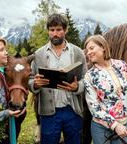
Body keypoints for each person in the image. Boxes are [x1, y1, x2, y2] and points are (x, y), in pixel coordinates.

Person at [28, 13, 87, 144]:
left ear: (65, 30)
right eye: (52, 30)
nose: (55, 33)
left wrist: (77, 87)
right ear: (48, 31)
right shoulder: (39, 54)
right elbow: (30, 79)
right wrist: (35, 84)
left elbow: (85, 78)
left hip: (72, 110)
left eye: (59, 30)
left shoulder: (78, 52)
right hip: (49, 112)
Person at [84, 35, 127, 144]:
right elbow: (94, 108)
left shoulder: (122, 65)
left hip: (125, 124)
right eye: (87, 50)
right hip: (101, 128)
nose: (88, 52)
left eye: (91, 48)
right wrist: (115, 125)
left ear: (103, 47)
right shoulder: (90, 76)